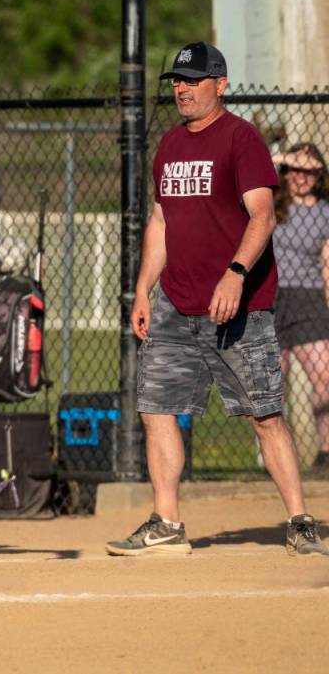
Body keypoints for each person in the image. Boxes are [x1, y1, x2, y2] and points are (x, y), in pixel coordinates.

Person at [107, 42, 329, 557]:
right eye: (176, 81)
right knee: (157, 408)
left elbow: (262, 215)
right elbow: (161, 220)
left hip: (238, 308)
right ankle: (166, 522)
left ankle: (299, 521)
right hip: (175, 305)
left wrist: (235, 273)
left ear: (220, 84)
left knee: (264, 415)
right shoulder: (169, 145)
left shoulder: (241, 139)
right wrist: (144, 288)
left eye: (192, 79)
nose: (181, 88)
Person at [271, 143, 329, 475]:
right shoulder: (273, 200)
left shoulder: (324, 211)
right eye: (295, 169)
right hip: (271, 297)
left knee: (324, 376)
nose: (300, 176)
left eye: (308, 170)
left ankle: (325, 452)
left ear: (319, 173)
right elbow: (248, 162)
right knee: (275, 382)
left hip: (309, 297)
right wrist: (286, 159)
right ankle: (276, 458)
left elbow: (327, 262)